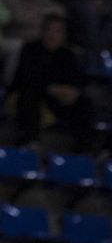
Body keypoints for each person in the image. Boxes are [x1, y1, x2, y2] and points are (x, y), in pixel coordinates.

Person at [11, 13, 90, 146]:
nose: (52, 34)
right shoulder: (30, 49)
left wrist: (73, 91)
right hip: (33, 95)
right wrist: (50, 88)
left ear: (64, 35)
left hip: (57, 100)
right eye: (49, 29)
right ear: (42, 31)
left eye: (58, 31)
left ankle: (85, 149)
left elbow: (77, 80)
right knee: (29, 96)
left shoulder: (68, 54)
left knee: (84, 102)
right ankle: (31, 141)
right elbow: (24, 78)